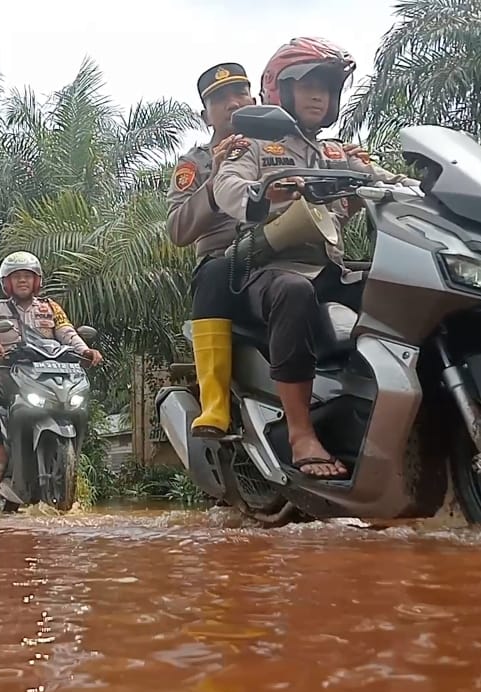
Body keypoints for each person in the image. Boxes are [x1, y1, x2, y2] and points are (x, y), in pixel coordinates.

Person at [213, 37, 420, 478]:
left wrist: (426, 190)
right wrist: (259, 195)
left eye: (327, 87)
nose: (317, 94)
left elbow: (389, 180)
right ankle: (300, 431)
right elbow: (226, 185)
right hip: (265, 270)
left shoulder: (336, 153)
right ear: (278, 90)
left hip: (330, 268)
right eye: (307, 83)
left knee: (399, 284)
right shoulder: (252, 145)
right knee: (293, 291)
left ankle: (384, 410)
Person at [166, 63, 256, 438]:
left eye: (239, 93)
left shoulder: (282, 147)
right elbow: (178, 229)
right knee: (215, 275)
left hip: (283, 251)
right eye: (219, 99)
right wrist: (215, 185)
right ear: (206, 115)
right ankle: (214, 404)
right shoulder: (195, 164)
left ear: (256, 99)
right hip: (225, 257)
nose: (232, 103)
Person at [0, 251, 103, 485]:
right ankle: (0, 454)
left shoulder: (50, 307)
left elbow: (67, 333)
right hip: (12, 372)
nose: (22, 280)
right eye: (17, 276)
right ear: (7, 283)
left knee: (81, 398)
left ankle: (71, 462)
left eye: (27, 276)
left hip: (50, 373)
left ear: (36, 281)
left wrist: (85, 351)